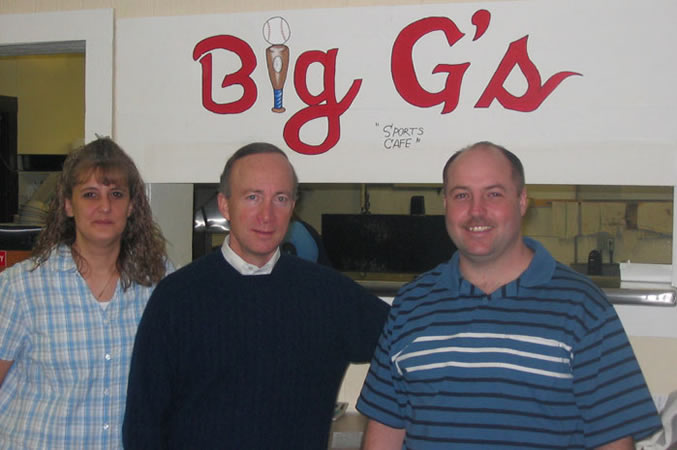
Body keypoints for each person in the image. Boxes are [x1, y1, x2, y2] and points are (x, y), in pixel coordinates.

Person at [357, 141, 662, 449]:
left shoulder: (582, 307)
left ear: (522, 201)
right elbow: (385, 431)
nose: (476, 211)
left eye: (493, 194)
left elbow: (614, 440)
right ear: (445, 204)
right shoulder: (411, 304)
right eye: (462, 195)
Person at [122, 142, 389, 449]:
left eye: (280, 199)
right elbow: (143, 424)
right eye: (253, 197)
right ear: (225, 205)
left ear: (293, 207)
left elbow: (408, 341)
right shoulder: (176, 298)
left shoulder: (329, 296)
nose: (267, 215)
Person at [0, 137, 171, 449]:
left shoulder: (160, 283)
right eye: (90, 194)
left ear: (132, 205)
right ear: (68, 204)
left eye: (116, 194)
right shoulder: (21, 288)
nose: (104, 207)